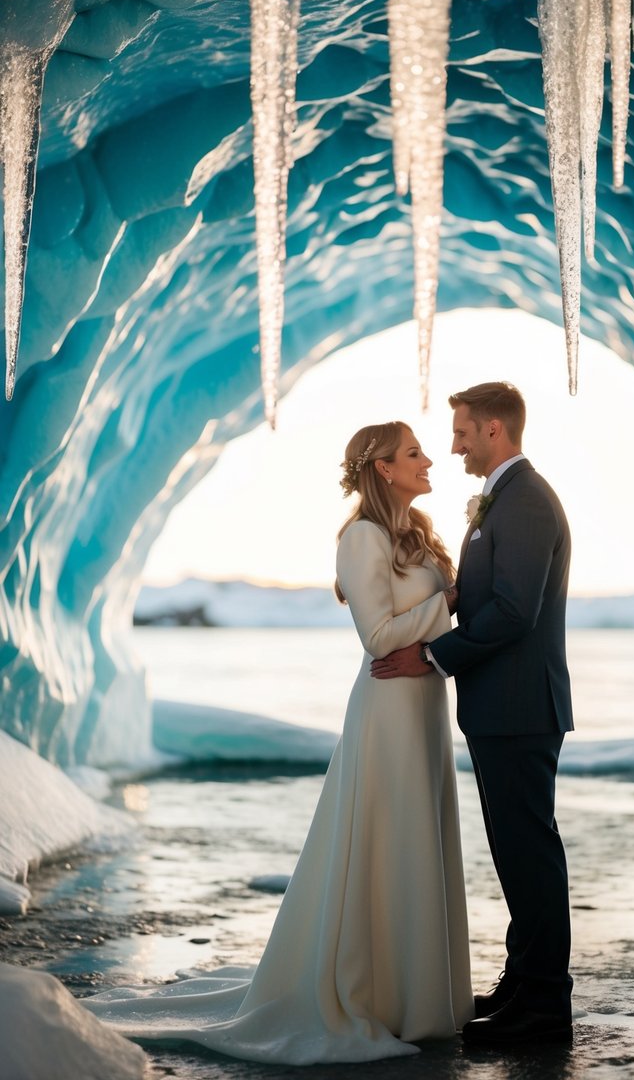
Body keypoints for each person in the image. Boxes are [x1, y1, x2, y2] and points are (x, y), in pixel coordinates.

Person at [83, 421, 474, 1064]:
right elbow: (378, 637)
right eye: (412, 453)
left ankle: (420, 997)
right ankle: (376, 995)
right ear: (381, 468)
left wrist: (445, 613)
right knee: (388, 838)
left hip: (425, 704)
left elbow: (422, 626)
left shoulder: (416, 535)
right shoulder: (362, 537)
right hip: (386, 708)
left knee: (419, 838)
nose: (428, 459)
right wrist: (450, 601)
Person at [371, 382, 574, 1046]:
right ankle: (523, 983)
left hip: (518, 707)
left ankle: (544, 1006)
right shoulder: (506, 499)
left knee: (529, 853)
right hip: (501, 708)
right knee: (516, 853)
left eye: (461, 432)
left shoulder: (525, 503)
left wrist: (432, 654)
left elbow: (515, 611)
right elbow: (486, 594)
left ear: (494, 430)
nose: (452, 445)